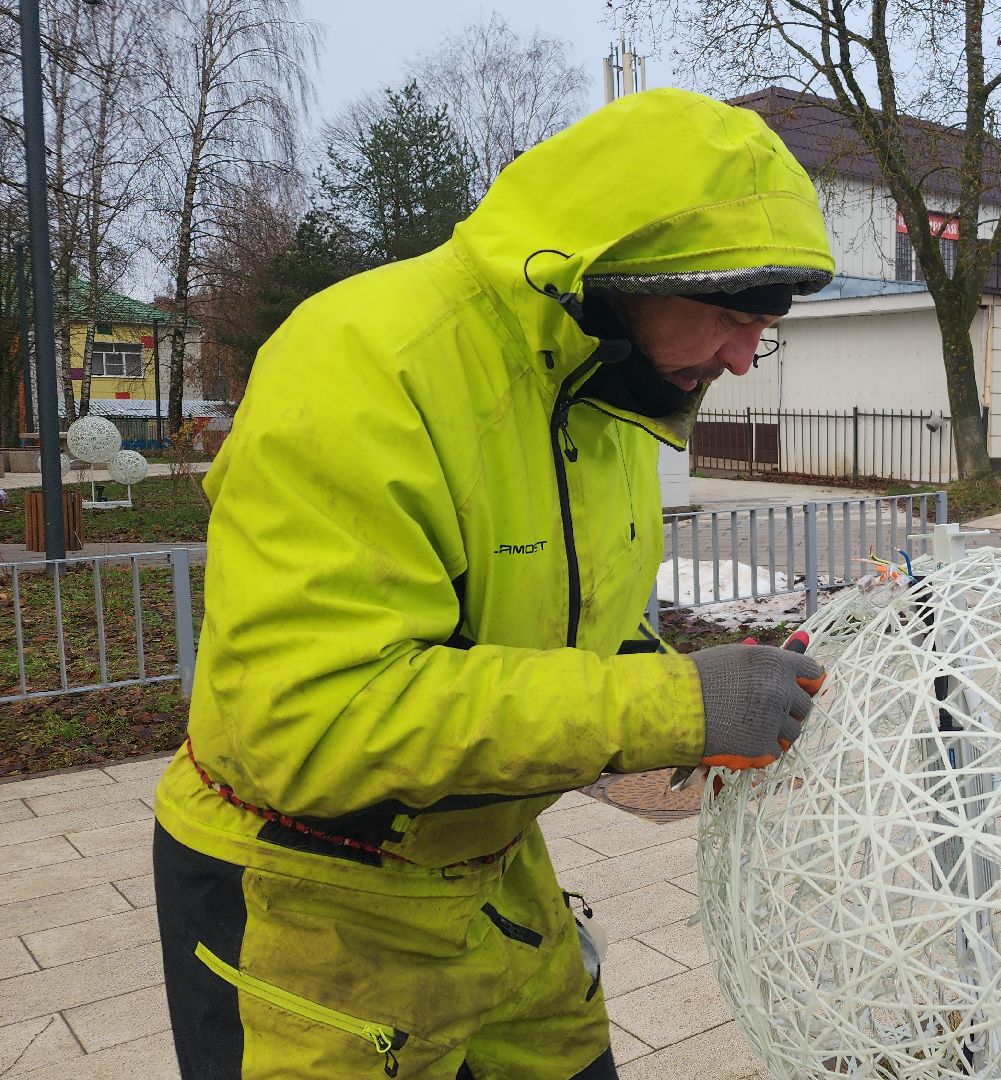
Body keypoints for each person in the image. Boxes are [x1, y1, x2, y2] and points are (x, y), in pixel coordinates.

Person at [150, 88, 832, 1079]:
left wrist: (698, 676)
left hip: (494, 882)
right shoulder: (362, 361)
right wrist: (674, 704)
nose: (741, 357)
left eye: (766, 327)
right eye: (727, 316)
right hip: (305, 900)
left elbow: (564, 635)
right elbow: (315, 718)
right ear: (614, 273)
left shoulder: (609, 396)